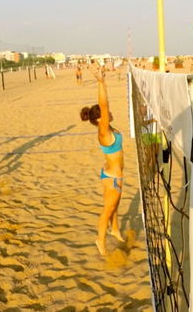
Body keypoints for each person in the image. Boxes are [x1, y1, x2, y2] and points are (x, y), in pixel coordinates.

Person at [80, 66, 125, 255]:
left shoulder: (110, 128)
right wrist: (101, 82)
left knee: (115, 205)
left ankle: (114, 229)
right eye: (105, 114)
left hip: (111, 173)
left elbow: (105, 108)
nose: (110, 113)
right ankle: (100, 240)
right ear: (100, 119)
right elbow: (104, 105)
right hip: (112, 177)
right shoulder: (103, 131)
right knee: (107, 210)